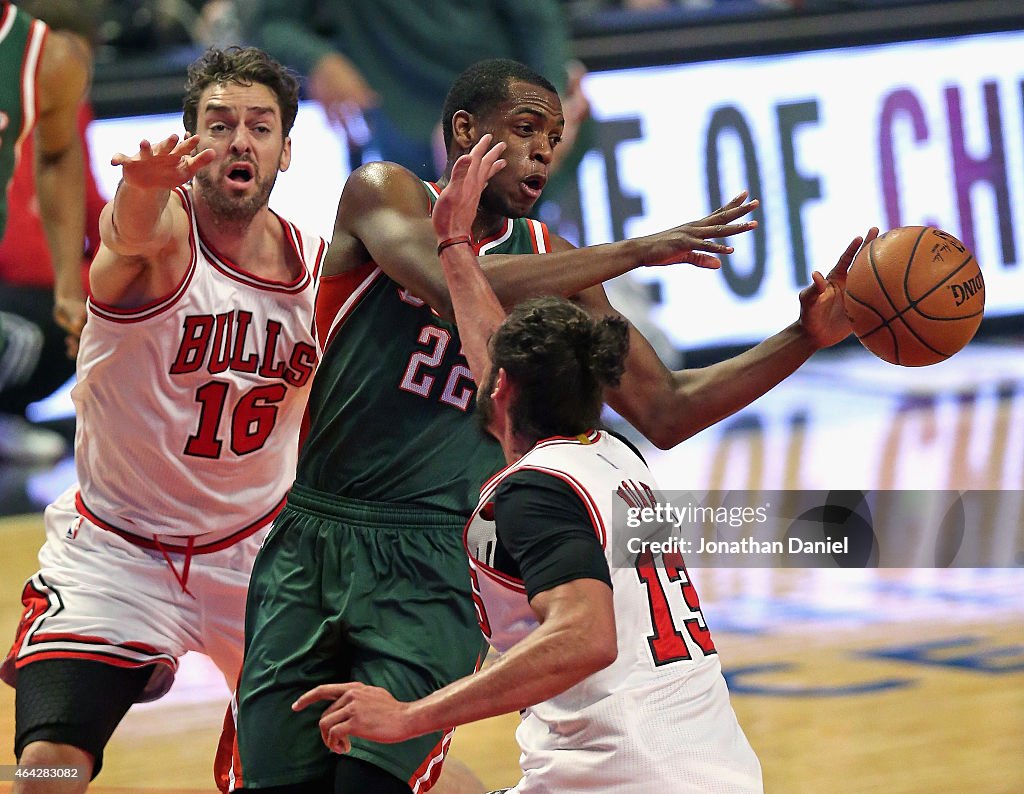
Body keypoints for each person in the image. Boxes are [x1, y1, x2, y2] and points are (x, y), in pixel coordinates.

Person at [219, 57, 871, 792]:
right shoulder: (385, 192)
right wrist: (640, 248)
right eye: (525, 129)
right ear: (466, 130)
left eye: (554, 138)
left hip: (435, 557)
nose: (542, 151)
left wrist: (802, 337)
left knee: (371, 780)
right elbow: (445, 278)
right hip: (317, 532)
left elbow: (666, 408)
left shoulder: (553, 263)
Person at [293, 134, 770, 793]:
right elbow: (492, 342)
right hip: (723, 777)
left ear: (502, 390)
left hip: (615, 782)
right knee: (434, 784)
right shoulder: (618, 463)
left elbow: (586, 636)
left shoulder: (532, 493)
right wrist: (458, 246)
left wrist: (410, 716)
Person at [1, 45, 324, 791]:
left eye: (260, 126)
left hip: (259, 559)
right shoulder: (157, 243)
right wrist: (142, 191)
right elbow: (129, 232)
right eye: (219, 124)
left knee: (345, 764)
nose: (240, 140)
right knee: (50, 765)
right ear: (188, 143)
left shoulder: (316, 273)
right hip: (121, 553)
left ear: (284, 149)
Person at [253, 0, 589, 182]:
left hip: (499, 106)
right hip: (397, 125)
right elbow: (272, 24)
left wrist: (551, 99)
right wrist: (319, 60)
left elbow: (539, 19)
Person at [0, 0, 91, 460]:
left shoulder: (44, 63)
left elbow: (63, 168)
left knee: (78, 322)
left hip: (20, 289)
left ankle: (7, 416)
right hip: (13, 286)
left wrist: (74, 284)